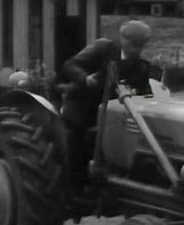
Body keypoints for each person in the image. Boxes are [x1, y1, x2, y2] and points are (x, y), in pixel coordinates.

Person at [61, 20, 157, 196]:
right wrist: (85, 78)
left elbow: (144, 95)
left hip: (109, 112)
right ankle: (76, 189)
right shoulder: (102, 48)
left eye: (140, 46)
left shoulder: (140, 66)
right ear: (123, 40)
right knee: (76, 142)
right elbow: (69, 65)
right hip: (83, 105)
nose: (136, 50)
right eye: (133, 44)